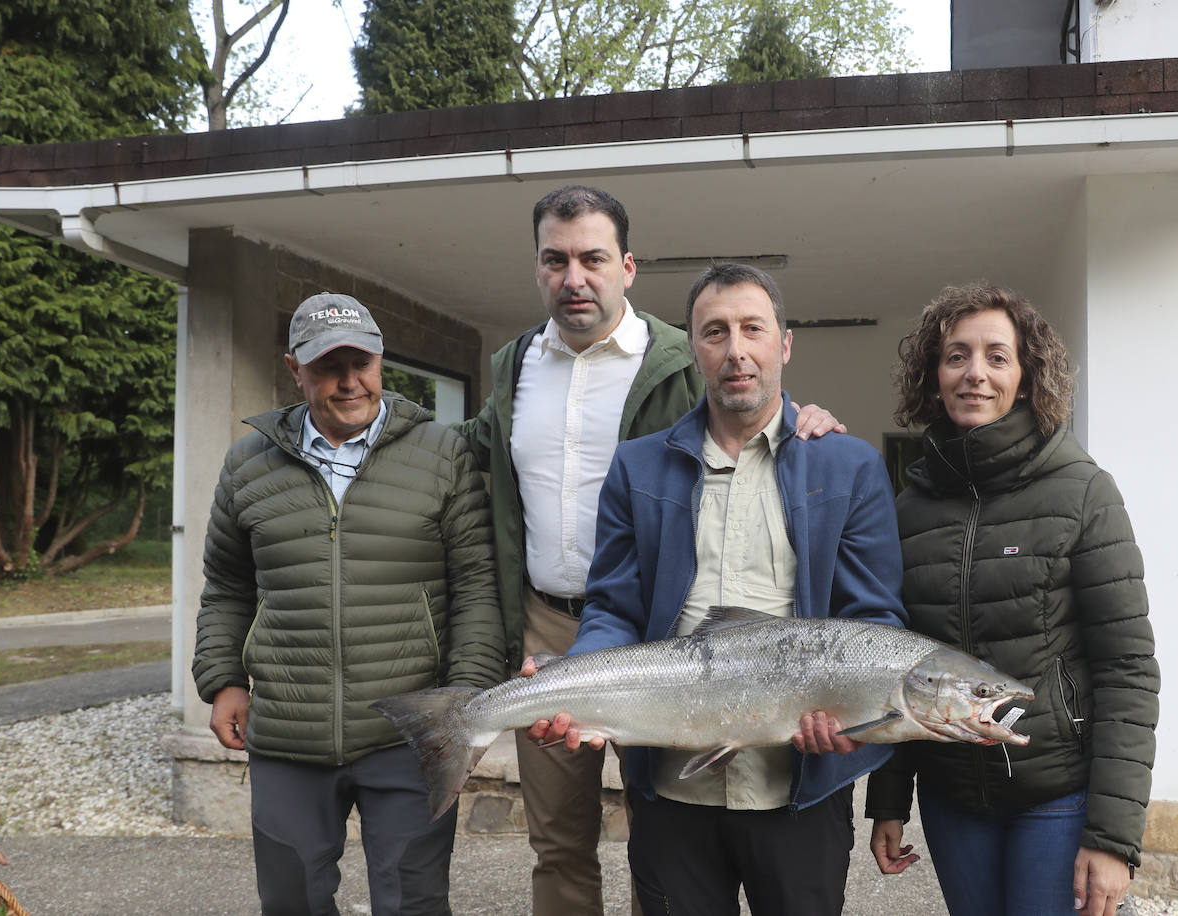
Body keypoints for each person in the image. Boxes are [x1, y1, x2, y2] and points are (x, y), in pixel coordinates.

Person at [452, 186, 842, 915]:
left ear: (627, 266)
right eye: (555, 260)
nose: (575, 278)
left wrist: (804, 414)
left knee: (662, 830)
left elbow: (743, 392)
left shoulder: (675, 355)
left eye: (593, 258)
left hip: (663, 637)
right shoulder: (513, 368)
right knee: (559, 840)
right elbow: (465, 451)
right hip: (546, 622)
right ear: (537, 269)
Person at [527, 263, 908, 915]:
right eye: (715, 332)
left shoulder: (849, 466)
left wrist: (852, 712)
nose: (736, 350)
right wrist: (579, 681)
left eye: (753, 329)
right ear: (692, 349)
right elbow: (613, 606)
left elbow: (873, 620)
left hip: (799, 789)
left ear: (783, 345)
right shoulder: (637, 466)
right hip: (672, 791)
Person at [192, 292, 505, 915]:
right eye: (327, 365)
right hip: (288, 732)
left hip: (409, 731)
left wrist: (463, 705)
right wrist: (223, 679)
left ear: (381, 360)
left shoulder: (442, 454)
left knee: (412, 902)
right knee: (292, 902)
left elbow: (475, 587)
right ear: (294, 369)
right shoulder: (247, 464)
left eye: (360, 362)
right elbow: (227, 585)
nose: (348, 381)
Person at [865, 283, 1160, 916]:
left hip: (1056, 794)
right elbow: (896, 665)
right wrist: (889, 800)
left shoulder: (1083, 491)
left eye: (997, 356)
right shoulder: (909, 508)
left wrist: (1112, 838)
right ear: (934, 376)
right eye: (956, 356)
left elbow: (1127, 668)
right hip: (951, 796)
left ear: (1026, 378)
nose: (976, 373)